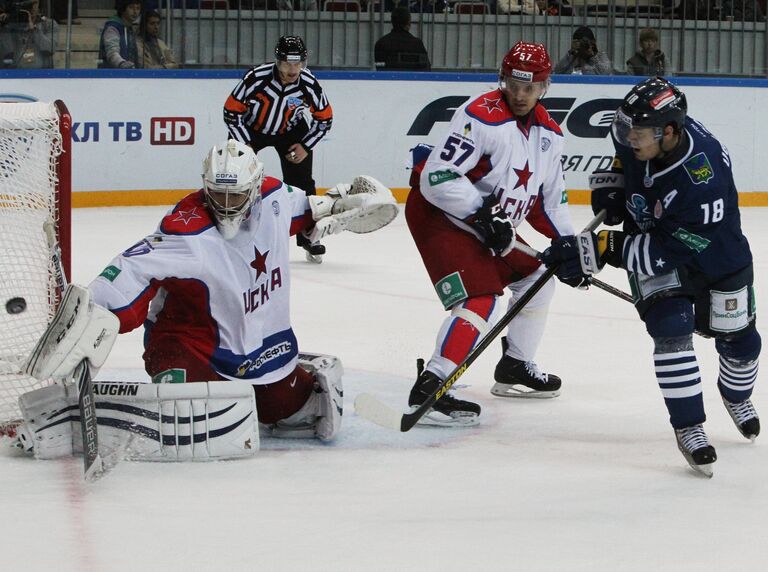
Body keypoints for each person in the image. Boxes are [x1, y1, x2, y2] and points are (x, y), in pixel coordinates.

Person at [14, 140, 398, 461]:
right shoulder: (185, 232)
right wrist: (89, 318)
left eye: (236, 194)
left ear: (256, 184)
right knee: (184, 419)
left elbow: (309, 209)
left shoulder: (274, 198)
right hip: (188, 347)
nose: (227, 204)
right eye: (218, 193)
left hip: (261, 347)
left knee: (291, 411)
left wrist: (341, 203)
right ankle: (76, 418)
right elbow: (128, 274)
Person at [541, 77, 760, 477]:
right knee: (670, 329)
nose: (627, 138)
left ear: (670, 132)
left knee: (741, 341)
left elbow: (669, 249)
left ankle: (736, 395)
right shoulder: (640, 132)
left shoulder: (701, 178)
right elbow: (625, 159)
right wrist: (613, 187)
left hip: (714, 254)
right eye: (625, 128)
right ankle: (690, 427)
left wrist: (599, 248)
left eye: (637, 134)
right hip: (658, 236)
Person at [405, 41, 576, 426]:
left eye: (529, 87)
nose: (519, 94)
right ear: (503, 79)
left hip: (488, 225)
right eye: (514, 84)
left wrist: (570, 247)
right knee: (481, 298)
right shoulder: (480, 116)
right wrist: (484, 214)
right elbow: (437, 176)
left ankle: (515, 365)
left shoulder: (550, 135)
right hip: (441, 214)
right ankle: (433, 386)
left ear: (544, 87)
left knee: (539, 279)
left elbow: (550, 205)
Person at [224, 36, 333, 263]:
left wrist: (305, 145)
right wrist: (245, 144)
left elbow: (325, 119)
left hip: (291, 132)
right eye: (287, 63)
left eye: (298, 63)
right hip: (251, 130)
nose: (293, 69)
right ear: (277, 61)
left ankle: (309, 235)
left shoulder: (309, 84)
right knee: (232, 178)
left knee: (303, 186)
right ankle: (228, 229)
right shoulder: (256, 78)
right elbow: (231, 112)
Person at [0, 0, 57, 68]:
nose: (32, 9)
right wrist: (5, 25)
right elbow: (6, 52)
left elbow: (50, 49)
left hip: (42, 73)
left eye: (34, 4)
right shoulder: (10, 24)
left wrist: (35, 31)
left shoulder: (48, 24)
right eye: (28, 6)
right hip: (13, 73)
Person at [373, 7, 430, 71]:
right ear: (408, 23)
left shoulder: (381, 43)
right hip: (413, 79)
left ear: (392, 22)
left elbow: (380, 68)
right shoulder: (417, 44)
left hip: (389, 80)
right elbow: (426, 69)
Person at [98, 0, 140, 69]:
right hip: (111, 76)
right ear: (123, 8)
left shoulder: (130, 29)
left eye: (138, 8)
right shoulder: (113, 27)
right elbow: (112, 51)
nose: (135, 12)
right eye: (131, 7)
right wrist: (121, 63)